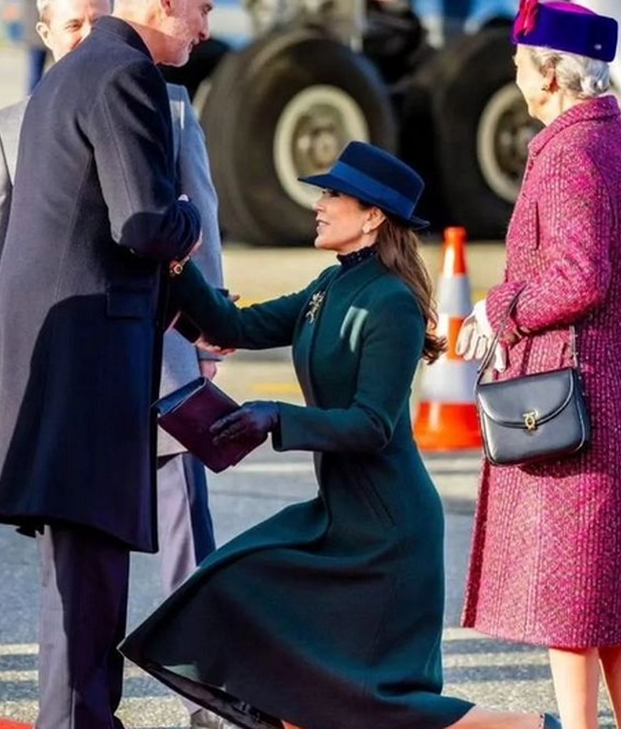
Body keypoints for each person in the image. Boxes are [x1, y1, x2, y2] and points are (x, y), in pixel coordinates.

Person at [120, 141, 560, 729]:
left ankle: (533, 727)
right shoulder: (330, 286)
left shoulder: (393, 303)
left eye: (332, 194)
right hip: (340, 518)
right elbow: (234, 325)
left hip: (387, 533)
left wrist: (277, 416)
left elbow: (372, 426)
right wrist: (175, 261)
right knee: (240, 596)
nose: (318, 205)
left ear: (373, 216)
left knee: (376, 707)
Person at [0, 0, 224, 729]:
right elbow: (143, 223)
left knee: (77, 583)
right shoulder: (126, 75)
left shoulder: (71, 72)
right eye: (200, 7)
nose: (205, 26)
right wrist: (186, 222)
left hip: (60, 368)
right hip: (90, 370)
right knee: (88, 584)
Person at [456, 0, 621, 729]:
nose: (514, 82)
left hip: (579, 402)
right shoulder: (618, 143)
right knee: (615, 606)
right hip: (616, 394)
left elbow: (579, 274)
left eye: (519, 67)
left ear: (549, 73)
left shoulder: (572, 154)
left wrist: (497, 308)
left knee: (574, 603)